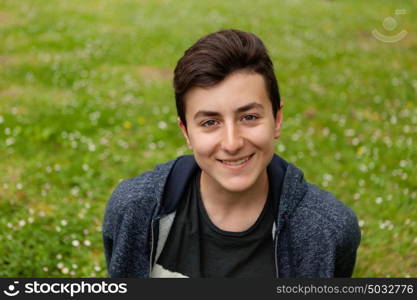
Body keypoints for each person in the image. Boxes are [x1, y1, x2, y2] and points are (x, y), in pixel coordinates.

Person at [102, 29, 361, 278]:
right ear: (186, 133)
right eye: (209, 122)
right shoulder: (134, 209)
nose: (232, 143)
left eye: (249, 117)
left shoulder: (329, 228)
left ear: (277, 119)